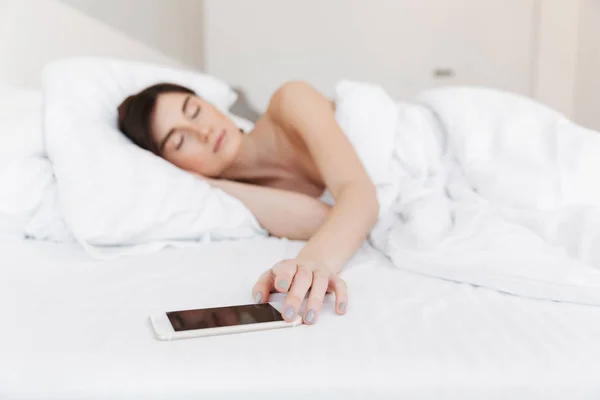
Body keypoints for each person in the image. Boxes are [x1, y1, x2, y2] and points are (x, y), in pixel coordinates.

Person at [117, 81, 379, 325]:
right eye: (180, 141)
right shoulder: (247, 199)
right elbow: (328, 220)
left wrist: (311, 262)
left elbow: (358, 195)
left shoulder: (291, 100)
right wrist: (214, 184)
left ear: (210, 104)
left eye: (195, 111)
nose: (203, 132)